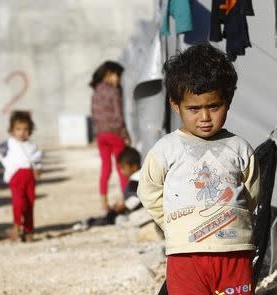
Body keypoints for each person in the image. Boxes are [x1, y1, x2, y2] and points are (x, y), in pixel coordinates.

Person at [137, 43, 260, 295]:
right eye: (194, 109)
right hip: (185, 254)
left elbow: (251, 193)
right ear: (175, 105)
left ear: (228, 101)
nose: (204, 117)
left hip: (234, 251)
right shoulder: (166, 149)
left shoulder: (239, 148)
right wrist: (174, 221)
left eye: (213, 106)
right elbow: (149, 190)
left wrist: (232, 217)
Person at [90, 61, 131, 213]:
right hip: (115, 134)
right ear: (108, 74)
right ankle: (125, 200)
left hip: (101, 135)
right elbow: (118, 115)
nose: (119, 79)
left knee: (105, 168)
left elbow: (94, 115)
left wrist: (97, 135)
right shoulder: (114, 91)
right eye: (117, 75)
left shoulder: (95, 92)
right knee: (121, 167)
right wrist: (125, 134)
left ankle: (104, 203)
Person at [0, 111, 42, 242]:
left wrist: (38, 169)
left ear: (30, 130)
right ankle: (17, 224)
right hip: (16, 176)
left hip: (29, 177)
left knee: (29, 203)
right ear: (12, 130)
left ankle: (28, 230)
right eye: (18, 129)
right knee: (18, 202)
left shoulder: (32, 146)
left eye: (25, 129)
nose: (22, 132)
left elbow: (37, 159)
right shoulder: (9, 144)